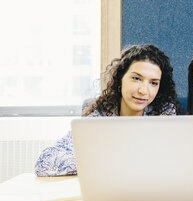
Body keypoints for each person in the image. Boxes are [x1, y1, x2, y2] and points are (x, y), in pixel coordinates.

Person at [35, 44, 179, 176]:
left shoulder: (164, 114)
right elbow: (45, 163)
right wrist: (107, 162)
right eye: (136, 78)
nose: (143, 90)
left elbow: (173, 161)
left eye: (153, 83)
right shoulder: (100, 116)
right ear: (120, 79)